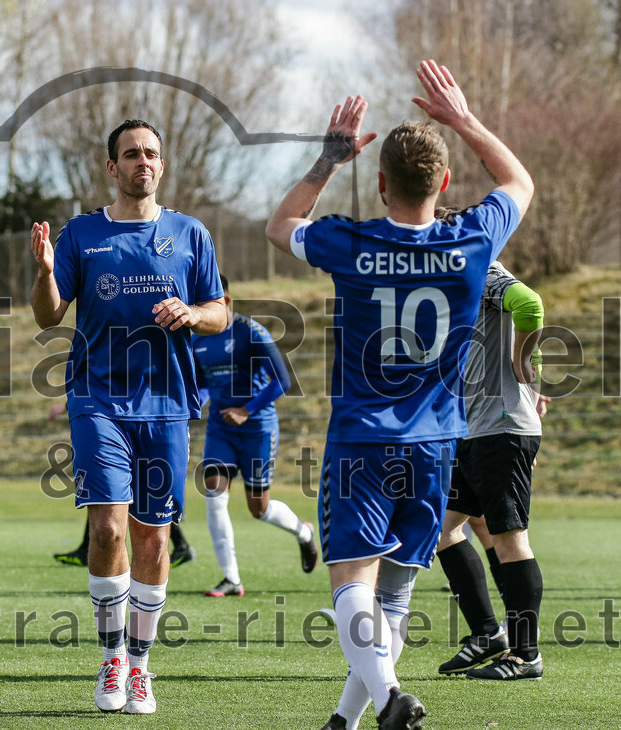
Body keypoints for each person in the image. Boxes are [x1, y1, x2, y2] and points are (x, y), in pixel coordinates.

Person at [264, 60, 533, 730]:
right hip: (438, 441)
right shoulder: (470, 239)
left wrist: (329, 160)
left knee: (351, 582)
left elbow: (281, 225)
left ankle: (388, 699)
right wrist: (462, 119)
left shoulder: (350, 241)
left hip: (362, 437)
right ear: (443, 183)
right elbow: (518, 180)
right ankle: (346, 720)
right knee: (395, 594)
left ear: (380, 183)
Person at [30, 119, 226, 714]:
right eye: (131, 154)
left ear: (161, 165)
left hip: (166, 404)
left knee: (154, 535)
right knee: (109, 527)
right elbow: (47, 316)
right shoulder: (82, 234)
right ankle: (112, 657)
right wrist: (42, 271)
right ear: (111, 167)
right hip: (96, 399)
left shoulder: (190, 234)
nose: (143, 162)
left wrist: (193, 313)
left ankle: (141, 667)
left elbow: (221, 311)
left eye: (151, 154)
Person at [435, 256, 548, 681]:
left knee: (508, 537)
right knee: (443, 530)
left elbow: (530, 305)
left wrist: (523, 361)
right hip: (473, 430)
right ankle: (487, 634)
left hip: (501, 429)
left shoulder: (480, 270)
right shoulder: (449, 286)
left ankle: (526, 654)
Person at [193, 274, 317, 597]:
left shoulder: (251, 332)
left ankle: (303, 532)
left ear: (227, 302)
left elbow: (283, 381)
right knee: (214, 495)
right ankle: (231, 578)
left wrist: (246, 410)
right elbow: (203, 384)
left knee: (258, 508)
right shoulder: (197, 340)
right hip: (221, 429)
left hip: (258, 428)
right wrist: (195, 403)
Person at [48, 402, 196, 568]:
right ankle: (85, 548)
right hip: (114, 418)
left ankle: (181, 545)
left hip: (145, 420)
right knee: (106, 496)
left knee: (143, 507)